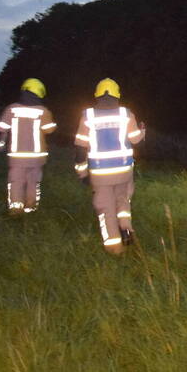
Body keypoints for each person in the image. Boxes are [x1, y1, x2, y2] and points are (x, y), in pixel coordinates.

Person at [73, 78, 145, 254]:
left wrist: (82, 172)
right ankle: (126, 228)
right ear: (117, 94)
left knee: (105, 207)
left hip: (100, 172)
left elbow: (81, 147)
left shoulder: (87, 116)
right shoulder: (126, 114)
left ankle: (114, 249)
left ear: (97, 94)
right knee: (122, 199)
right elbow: (136, 139)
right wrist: (143, 131)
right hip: (124, 169)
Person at [0, 78, 57, 215]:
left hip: (17, 156)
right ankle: (31, 208)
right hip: (37, 156)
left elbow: (1, 129)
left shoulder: (11, 109)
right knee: (33, 182)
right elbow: (49, 130)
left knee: (16, 181)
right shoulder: (43, 111)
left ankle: (16, 209)